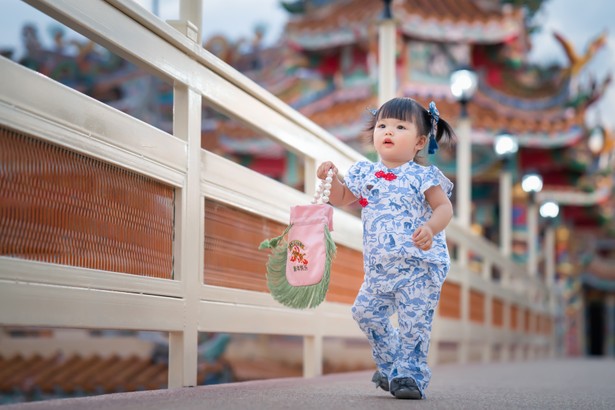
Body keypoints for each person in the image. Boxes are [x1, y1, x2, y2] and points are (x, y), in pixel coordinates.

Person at [316, 97, 455, 400]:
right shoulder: (365, 173)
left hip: (419, 267)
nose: (388, 131)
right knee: (365, 312)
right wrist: (331, 177)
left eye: (399, 127)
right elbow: (341, 198)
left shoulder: (423, 176)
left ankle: (409, 375)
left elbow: (444, 208)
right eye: (382, 125)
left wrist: (431, 227)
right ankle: (392, 365)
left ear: (420, 141)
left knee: (412, 323)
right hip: (380, 269)